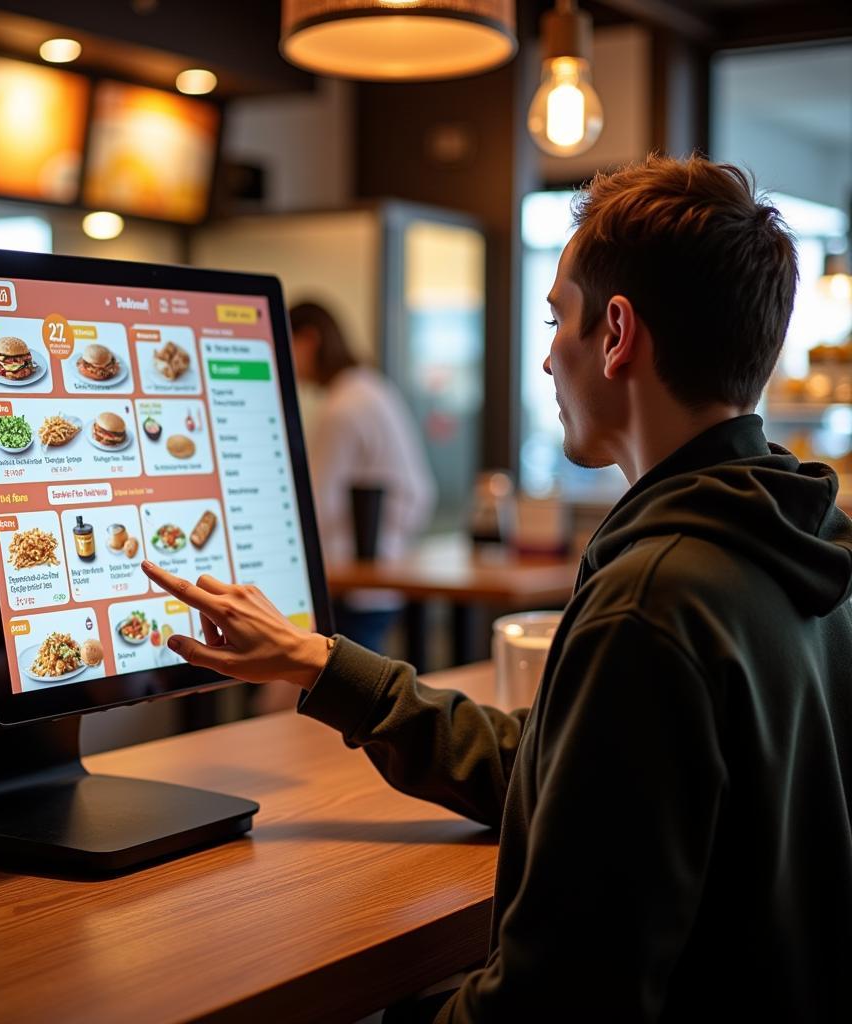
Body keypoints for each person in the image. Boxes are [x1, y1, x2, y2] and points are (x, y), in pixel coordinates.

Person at [140, 155, 852, 1022]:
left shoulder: (655, 602)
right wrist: (318, 662)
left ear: (617, 333)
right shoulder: (798, 543)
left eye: (558, 318)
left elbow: (553, 1001)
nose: (549, 356)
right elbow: (557, 774)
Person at [290, 301, 436, 653]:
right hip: (385, 571)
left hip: (352, 578)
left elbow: (316, 505)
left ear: (309, 340)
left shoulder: (342, 407)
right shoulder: (371, 388)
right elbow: (421, 492)